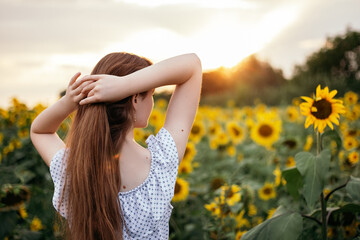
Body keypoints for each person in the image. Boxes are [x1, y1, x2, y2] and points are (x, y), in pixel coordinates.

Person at [30, 52, 202, 240]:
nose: (152, 102)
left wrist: (71, 100)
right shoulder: (161, 164)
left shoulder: (72, 170)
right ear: (135, 99)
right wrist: (124, 85)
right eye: (150, 93)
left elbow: (40, 131)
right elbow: (191, 65)